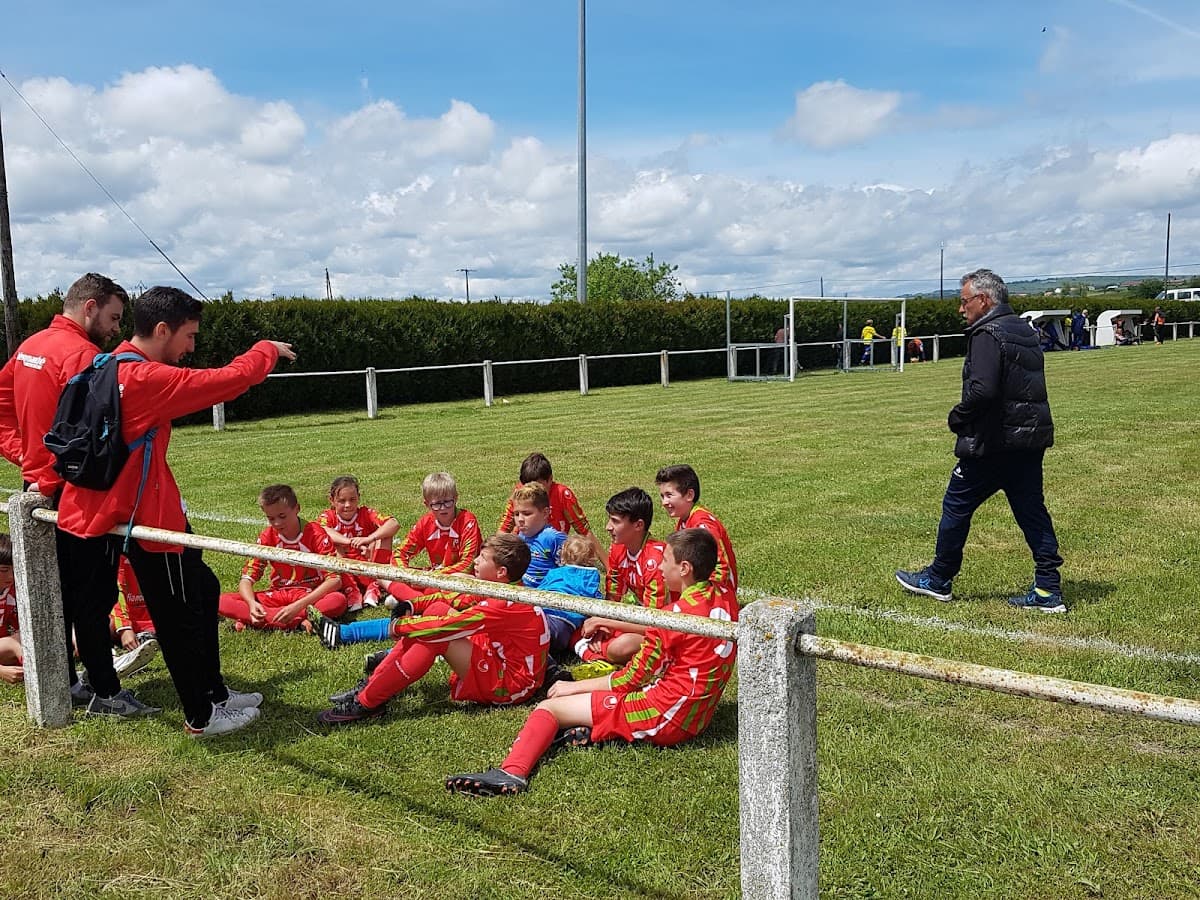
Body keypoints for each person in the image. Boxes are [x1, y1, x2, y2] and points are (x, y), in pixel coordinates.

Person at [56, 285, 296, 736]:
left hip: (106, 511)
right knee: (177, 614)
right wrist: (265, 349)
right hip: (141, 519)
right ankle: (201, 717)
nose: (192, 348)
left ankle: (215, 694)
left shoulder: (105, 363)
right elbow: (223, 381)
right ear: (162, 329)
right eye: (189, 336)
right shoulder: (145, 378)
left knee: (202, 590)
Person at [445, 527, 738, 797]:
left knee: (550, 707)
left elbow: (629, 680)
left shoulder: (671, 617)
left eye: (666, 561)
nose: (660, 567)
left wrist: (575, 687)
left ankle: (512, 772)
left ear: (684, 569)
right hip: (695, 713)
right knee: (588, 701)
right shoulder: (725, 596)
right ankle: (592, 730)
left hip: (667, 716)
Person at [895, 269, 1065, 613]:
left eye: (964, 301)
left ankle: (939, 578)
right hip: (1028, 441)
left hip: (994, 443)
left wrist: (958, 417)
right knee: (1032, 511)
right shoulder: (1024, 329)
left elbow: (984, 389)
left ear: (984, 300)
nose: (961, 309)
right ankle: (1048, 589)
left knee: (956, 505)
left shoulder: (987, 333)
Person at [0, 273, 128, 706]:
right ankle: (104, 691)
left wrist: (26, 457)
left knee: (47, 589)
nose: (115, 329)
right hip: (72, 491)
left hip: (37, 484)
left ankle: (65, 681)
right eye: (112, 317)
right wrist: (47, 469)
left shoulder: (29, 347)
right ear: (89, 307)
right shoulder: (82, 357)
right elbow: (95, 436)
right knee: (90, 595)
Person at [315, 534, 550, 725]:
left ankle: (366, 703)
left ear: (501, 572)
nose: (475, 561)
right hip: (499, 657)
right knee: (437, 608)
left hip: (512, 685)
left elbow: (446, 627)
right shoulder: (503, 587)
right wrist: (412, 604)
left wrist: (399, 626)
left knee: (436, 637)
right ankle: (373, 685)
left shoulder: (502, 603)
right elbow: (449, 598)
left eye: (482, 558)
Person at [219, 484, 348, 631]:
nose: (277, 523)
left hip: (308, 594)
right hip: (278, 593)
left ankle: (261, 620)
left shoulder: (315, 533)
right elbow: (246, 579)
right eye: (271, 518)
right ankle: (299, 620)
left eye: (282, 516)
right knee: (220, 601)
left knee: (338, 600)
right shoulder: (267, 536)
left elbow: (335, 580)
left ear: (297, 509)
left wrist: (298, 606)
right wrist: (251, 604)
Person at [573, 487, 668, 674]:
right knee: (582, 629)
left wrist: (605, 623)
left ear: (638, 525)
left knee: (620, 647)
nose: (608, 527)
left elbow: (655, 622)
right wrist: (603, 626)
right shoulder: (618, 549)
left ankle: (606, 658)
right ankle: (602, 654)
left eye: (615, 521)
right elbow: (613, 597)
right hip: (644, 615)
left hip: (668, 625)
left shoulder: (655, 560)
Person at [387, 472, 481, 607]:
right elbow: (400, 553)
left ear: (456, 498)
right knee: (384, 575)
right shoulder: (425, 522)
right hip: (435, 576)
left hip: (461, 578)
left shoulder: (468, 520)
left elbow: (468, 564)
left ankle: (413, 600)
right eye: (436, 504)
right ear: (426, 504)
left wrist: (432, 577)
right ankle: (418, 599)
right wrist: (407, 575)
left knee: (436, 587)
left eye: (448, 502)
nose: (443, 508)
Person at [497, 452, 603, 560]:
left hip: (553, 550)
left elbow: (584, 531)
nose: (532, 490)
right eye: (527, 486)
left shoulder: (563, 494)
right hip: (525, 548)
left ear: (550, 479)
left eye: (538, 485)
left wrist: (610, 568)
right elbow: (504, 528)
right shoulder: (521, 492)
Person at [317, 475, 399, 611]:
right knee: (331, 543)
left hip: (369, 567)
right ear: (332, 500)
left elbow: (394, 523)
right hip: (344, 573)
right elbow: (321, 530)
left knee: (384, 536)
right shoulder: (328, 517)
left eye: (352, 499)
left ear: (358, 498)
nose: (348, 505)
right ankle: (352, 591)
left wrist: (369, 539)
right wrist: (349, 542)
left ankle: (374, 586)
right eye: (342, 501)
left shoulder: (366, 513)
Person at [655, 464, 737, 596]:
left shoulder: (703, 525)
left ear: (689, 495)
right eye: (662, 496)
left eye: (669, 495)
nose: (664, 502)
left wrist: (707, 600)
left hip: (714, 597)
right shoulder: (685, 519)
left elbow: (720, 567)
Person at [536, 534, 604, 661]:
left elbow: (538, 593)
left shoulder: (554, 573)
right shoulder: (591, 577)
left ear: (563, 556)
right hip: (566, 629)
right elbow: (597, 602)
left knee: (528, 636)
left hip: (547, 619)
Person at [109, 557, 160, 679]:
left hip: (149, 620)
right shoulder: (115, 552)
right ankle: (111, 660)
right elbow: (114, 591)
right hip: (121, 619)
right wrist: (124, 628)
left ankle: (142, 642)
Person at [511, 483, 567, 588]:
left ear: (545, 513)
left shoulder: (552, 538)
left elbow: (569, 572)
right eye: (516, 514)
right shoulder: (521, 535)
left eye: (527, 514)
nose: (520, 520)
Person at [0, 535, 24, 686]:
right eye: (4, 570)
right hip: (6, 645)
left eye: (16, 569)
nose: (11, 576)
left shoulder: (13, 590)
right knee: (12, 643)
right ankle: (35, 672)